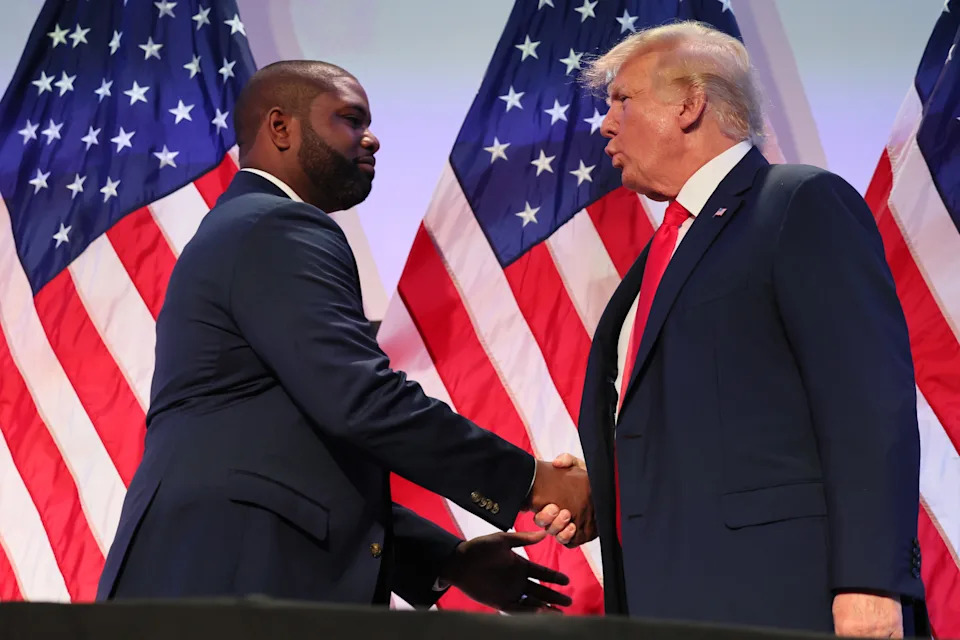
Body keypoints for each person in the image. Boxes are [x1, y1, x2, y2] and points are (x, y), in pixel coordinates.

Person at [96, 60, 592, 613]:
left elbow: (293, 449)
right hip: (237, 578)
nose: (371, 138)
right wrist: (532, 481)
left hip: (209, 571)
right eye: (350, 119)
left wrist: (445, 560)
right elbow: (360, 400)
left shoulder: (244, 226)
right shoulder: (278, 226)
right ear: (280, 127)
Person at [536, 21, 927, 636]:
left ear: (689, 103)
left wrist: (872, 583)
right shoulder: (660, 255)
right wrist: (607, 490)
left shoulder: (799, 204)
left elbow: (867, 405)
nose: (606, 125)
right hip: (664, 603)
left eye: (622, 101)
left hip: (781, 602)